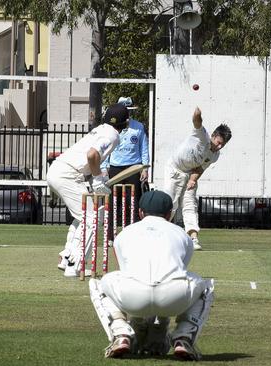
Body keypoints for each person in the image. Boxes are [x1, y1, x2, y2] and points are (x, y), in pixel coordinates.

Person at [89, 190, 215, 360]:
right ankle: (183, 337)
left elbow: (127, 272)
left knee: (99, 284)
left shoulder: (124, 233)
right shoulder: (182, 235)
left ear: (140, 212)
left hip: (132, 296)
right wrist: (160, 322)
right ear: (169, 213)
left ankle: (120, 333)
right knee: (206, 286)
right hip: (174, 297)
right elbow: (178, 273)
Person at [47, 103, 128, 277]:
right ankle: (75, 265)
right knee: (92, 218)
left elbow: (89, 159)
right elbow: (92, 155)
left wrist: (98, 175)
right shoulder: (113, 135)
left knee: (83, 216)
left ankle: (67, 256)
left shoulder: (100, 129)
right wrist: (98, 179)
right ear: (125, 124)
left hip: (61, 171)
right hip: (67, 175)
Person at [163, 106, 231, 250]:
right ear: (213, 135)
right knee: (171, 203)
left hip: (189, 174)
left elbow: (199, 168)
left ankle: (193, 238)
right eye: (218, 142)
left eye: (222, 145)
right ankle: (161, 235)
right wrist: (197, 113)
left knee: (190, 204)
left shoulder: (215, 155)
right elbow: (197, 122)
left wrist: (193, 180)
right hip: (174, 169)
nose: (219, 147)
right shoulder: (202, 136)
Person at [101, 96, 149, 224]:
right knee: (113, 203)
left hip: (133, 168)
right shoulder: (112, 128)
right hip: (115, 168)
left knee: (133, 202)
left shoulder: (138, 127)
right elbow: (105, 148)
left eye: (128, 110)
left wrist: (144, 168)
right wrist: (104, 168)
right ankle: (110, 234)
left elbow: (144, 148)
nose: (127, 113)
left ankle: (134, 233)